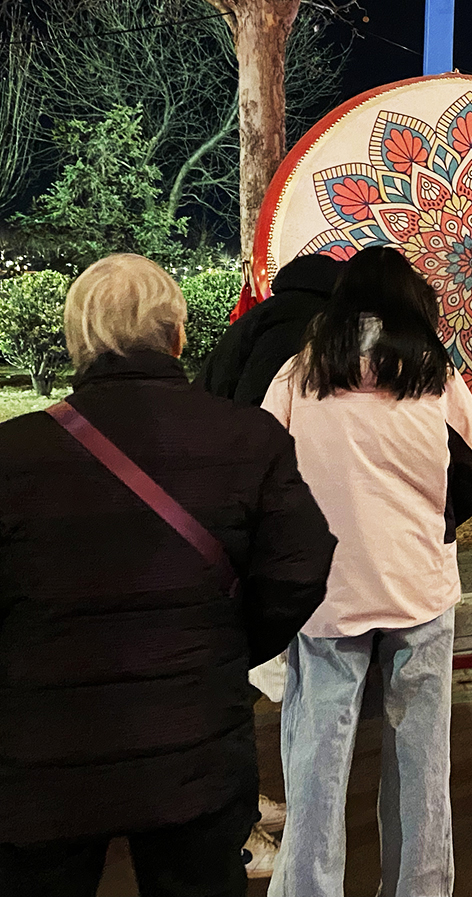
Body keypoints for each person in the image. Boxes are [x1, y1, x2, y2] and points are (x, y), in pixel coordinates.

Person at [0, 254, 336, 897]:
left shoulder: (9, 455)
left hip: (41, 759)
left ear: (76, 344)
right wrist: (222, 644)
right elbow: (300, 567)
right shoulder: (247, 438)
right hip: (195, 748)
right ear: (178, 337)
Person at [262, 246, 472, 897]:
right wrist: (434, 520)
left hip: (326, 596)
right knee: (421, 766)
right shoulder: (433, 374)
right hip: (419, 588)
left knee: (316, 764)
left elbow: (262, 473)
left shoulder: (300, 374)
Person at [197, 253, 344, 876]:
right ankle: (238, 832)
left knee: (231, 675)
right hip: (259, 518)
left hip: (210, 512)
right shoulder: (312, 337)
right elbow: (276, 436)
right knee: (263, 679)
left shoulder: (249, 327)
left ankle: (244, 806)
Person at [199, 254, 345, 405]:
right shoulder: (300, 318)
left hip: (209, 412)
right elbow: (257, 389)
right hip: (230, 420)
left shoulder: (269, 310)